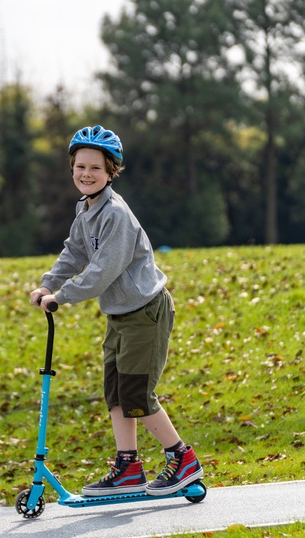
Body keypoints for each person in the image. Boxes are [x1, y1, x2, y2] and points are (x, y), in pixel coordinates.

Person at [30, 125, 203, 497]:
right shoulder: (86, 209)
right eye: (80, 167)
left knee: (137, 393)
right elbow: (74, 252)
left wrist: (63, 296)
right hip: (120, 315)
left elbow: (102, 270)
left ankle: (183, 458)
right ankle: (128, 467)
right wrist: (48, 283)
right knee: (116, 394)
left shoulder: (116, 215)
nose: (86, 174)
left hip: (145, 311)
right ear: (72, 168)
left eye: (95, 168)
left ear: (111, 172)